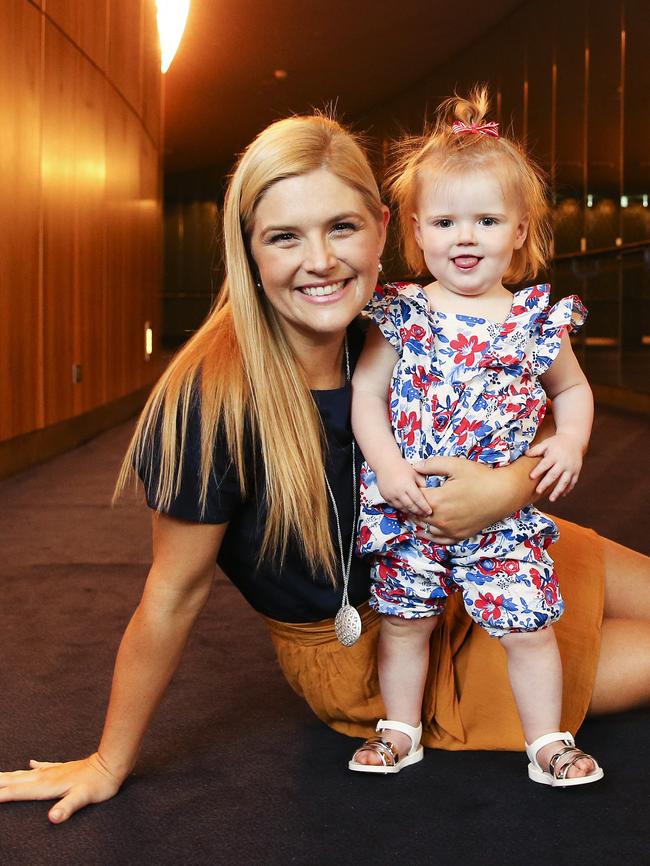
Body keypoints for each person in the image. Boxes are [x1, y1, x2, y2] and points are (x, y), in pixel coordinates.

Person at [0, 113, 648, 823]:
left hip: (501, 544)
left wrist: (504, 490)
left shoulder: (400, 319)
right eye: (284, 236)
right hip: (386, 644)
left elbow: (529, 417)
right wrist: (107, 761)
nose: (321, 261)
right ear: (247, 249)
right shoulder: (212, 400)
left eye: (341, 227)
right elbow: (172, 595)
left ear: (382, 225)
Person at [349, 88, 601, 785]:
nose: (466, 238)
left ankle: (549, 741)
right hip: (410, 509)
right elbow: (366, 395)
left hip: (503, 515)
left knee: (529, 627)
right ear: (417, 230)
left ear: (519, 231)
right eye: (447, 221)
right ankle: (400, 730)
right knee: (405, 623)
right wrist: (388, 466)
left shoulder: (532, 321)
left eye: (487, 220)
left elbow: (572, 390)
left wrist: (570, 439)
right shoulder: (403, 316)